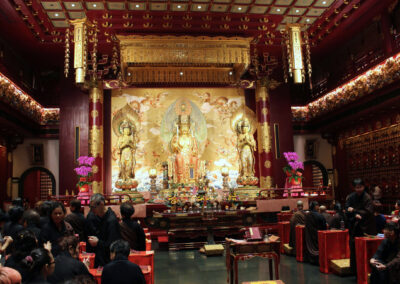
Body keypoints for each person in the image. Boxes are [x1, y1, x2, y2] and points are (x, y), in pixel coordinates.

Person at [345, 178, 376, 274]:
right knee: (354, 248)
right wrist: (354, 214)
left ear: (363, 187)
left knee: (365, 249)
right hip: (354, 226)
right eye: (356, 187)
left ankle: (366, 269)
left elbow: (369, 211)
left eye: (360, 187)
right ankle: (354, 270)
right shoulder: (351, 197)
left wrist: (355, 211)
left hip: (366, 227)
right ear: (354, 188)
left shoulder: (367, 197)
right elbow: (347, 209)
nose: (358, 189)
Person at [87, 194, 121, 267]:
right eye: (90, 207)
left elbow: (112, 244)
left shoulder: (111, 220)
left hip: (108, 259)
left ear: (101, 204)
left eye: (93, 207)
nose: (91, 210)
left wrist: (98, 242)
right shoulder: (99, 216)